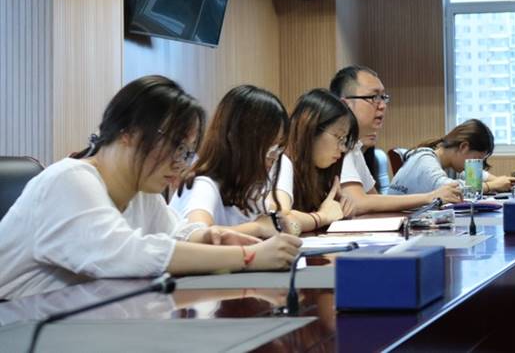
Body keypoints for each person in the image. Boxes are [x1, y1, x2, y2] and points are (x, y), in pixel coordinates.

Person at [0, 75, 301, 300]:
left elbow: (179, 232)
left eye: (187, 152)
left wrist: (213, 237)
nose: (180, 164)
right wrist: (248, 257)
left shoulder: (141, 192)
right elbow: (129, 254)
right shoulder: (69, 180)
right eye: (175, 146)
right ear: (128, 132)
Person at [329, 66, 461, 213]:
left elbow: (374, 199)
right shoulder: (339, 145)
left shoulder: (354, 146)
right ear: (345, 105)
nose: (382, 106)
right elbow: (358, 203)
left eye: (383, 98)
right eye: (374, 97)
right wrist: (430, 197)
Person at [170, 85, 289, 238]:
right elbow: (197, 235)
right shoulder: (203, 185)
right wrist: (257, 227)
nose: (274, 156)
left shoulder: (249, 190)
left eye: (279, 147)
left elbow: (278, 222)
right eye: (269, 146)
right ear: (238, 139)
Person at [272, 88, 359, 234]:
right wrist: (321, 217)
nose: (343, 148)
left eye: (345, 140)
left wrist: (339, 206)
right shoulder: (282, 161)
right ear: (311, 130)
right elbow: (280, 221)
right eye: (339, 137)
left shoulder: (317, 172)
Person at [388, 119, 515, 196]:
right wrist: (491, 186)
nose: (475, 165)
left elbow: (472, 176)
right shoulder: (425, 160)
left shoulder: (449, 164)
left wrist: (501, 181)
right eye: (476, 159)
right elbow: (450, 189)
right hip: (396, 222)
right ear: (464, 147)